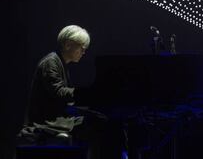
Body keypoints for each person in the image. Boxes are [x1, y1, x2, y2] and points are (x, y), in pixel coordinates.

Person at [19, 25, 124, 159]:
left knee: (104, 121)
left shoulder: (60, 62)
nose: (84, 52)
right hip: (47, 122)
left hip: (58, 118)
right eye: (82, 47)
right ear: (68, 45)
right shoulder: (51, 62)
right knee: (103, 125)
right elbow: (59, 92)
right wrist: (87, 93)